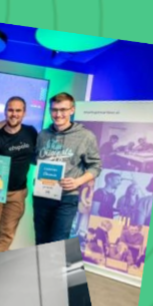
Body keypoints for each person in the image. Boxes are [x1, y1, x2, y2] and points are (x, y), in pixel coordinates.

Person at [34, 93, 102, 244]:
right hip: (42, 196)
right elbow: (36, 159)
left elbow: (96, 166)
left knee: (58, 243)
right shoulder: (43, 135)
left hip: (67, 197)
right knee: (40, 241)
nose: (58, 114)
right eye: (54, 110)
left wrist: (78, 181)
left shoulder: (86, 136)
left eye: (63, 110)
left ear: (72, 110)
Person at [0, 97, 38, 256]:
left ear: (24, 113)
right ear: (5, 112)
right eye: (10, 110)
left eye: (18, 110)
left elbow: (39, 155)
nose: (14, 114)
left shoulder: (31, 132)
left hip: (17, 194)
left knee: (7, 234)